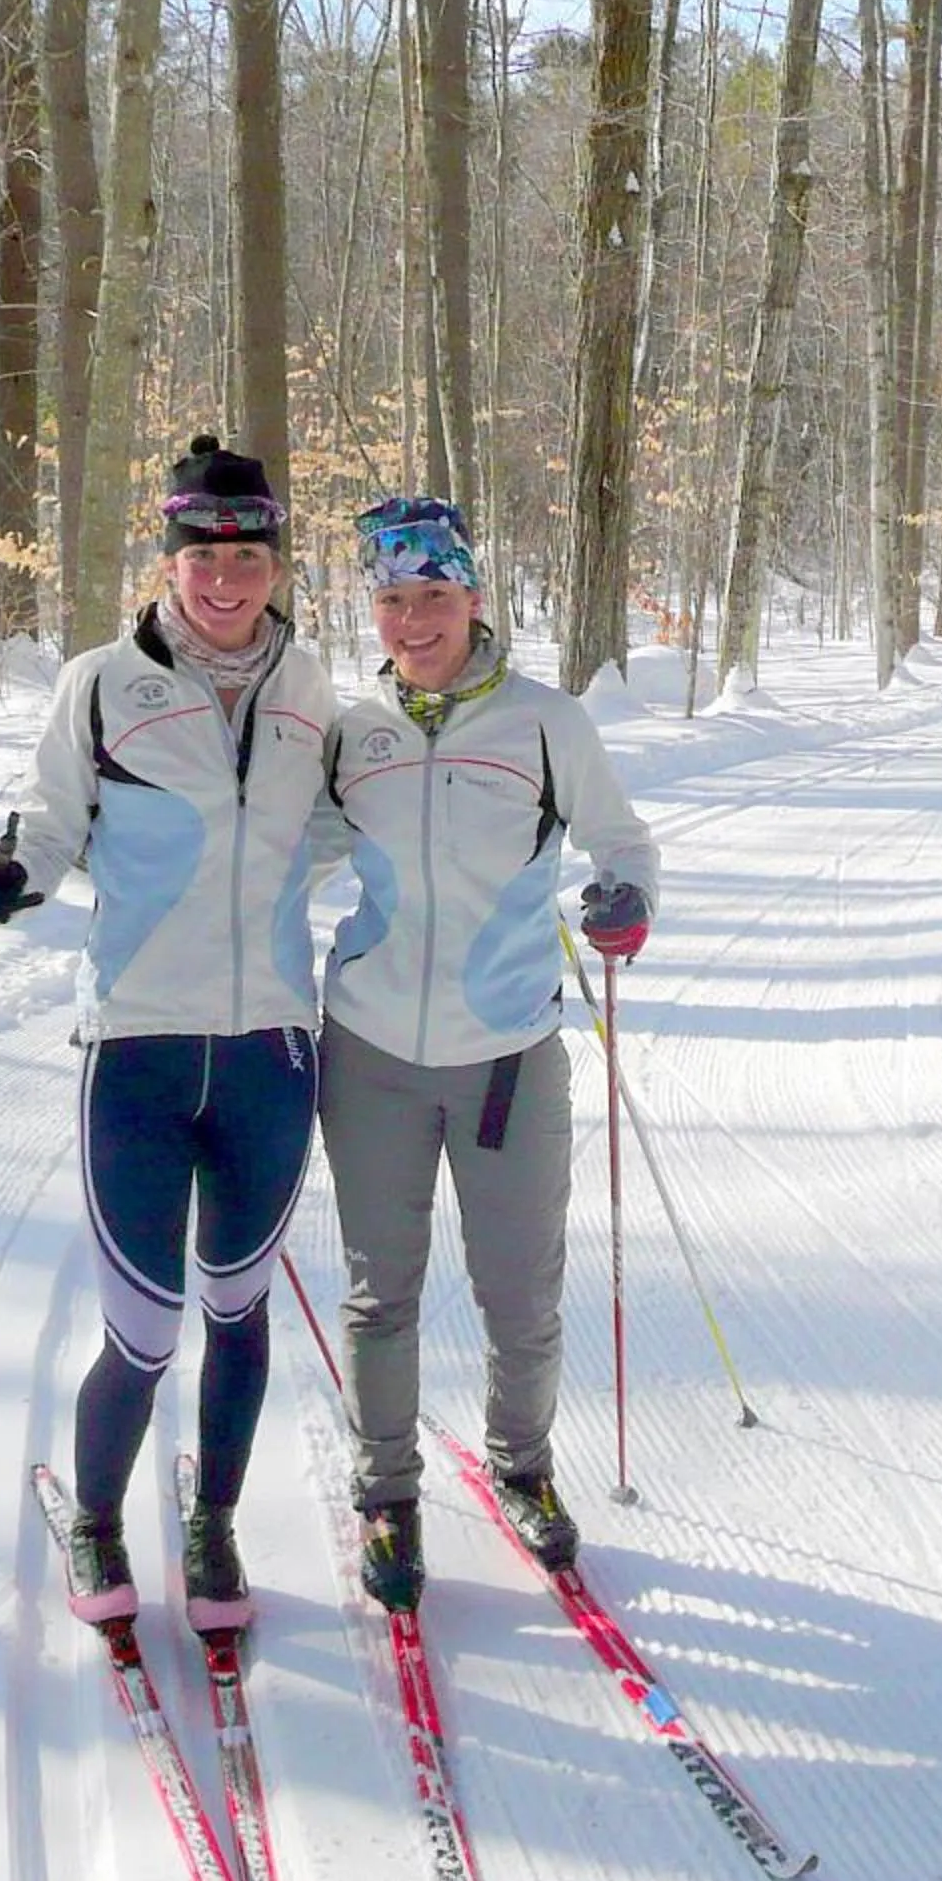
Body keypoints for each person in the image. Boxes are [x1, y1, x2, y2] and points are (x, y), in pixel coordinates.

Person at [0, 435, 338, 1630]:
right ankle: (101, 1521)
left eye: (248, 556)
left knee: (238, 1308)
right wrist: (9, 877)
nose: (225, 578)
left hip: (272, 1047)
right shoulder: (101, 683)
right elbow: (56, 827)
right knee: (144, 1328)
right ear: (168, 563)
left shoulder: (314, 687)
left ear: (275, 563)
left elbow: (345, 826)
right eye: (201, 555)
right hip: (139, 1051)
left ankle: (213, 1525)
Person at [318, 495, 659, 1614]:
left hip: (509, 1055)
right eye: (392, 598)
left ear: (474, 597)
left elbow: (622, 841)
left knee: (520, 1290)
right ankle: (386, 1489)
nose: (414, 621)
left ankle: (522, 1467)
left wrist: (623, 901)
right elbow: (275, 854)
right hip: (368, 1053)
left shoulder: (545, 722)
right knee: (383, 1293)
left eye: (434, 596)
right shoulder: (350, 728)